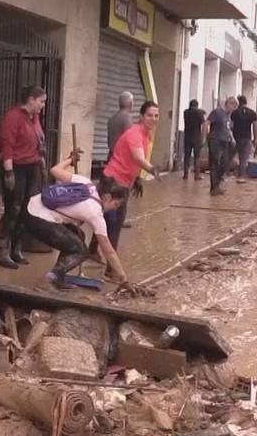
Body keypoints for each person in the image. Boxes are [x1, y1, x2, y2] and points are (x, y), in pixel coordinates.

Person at [26, 151, 138, 294]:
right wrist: (124, 279)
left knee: (78, 236)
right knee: (80, 250)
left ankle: (59, 276)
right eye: (116, 205)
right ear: (107, 197)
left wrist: (70, 160)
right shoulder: (96, 213)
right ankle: (48, 280)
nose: (114, 209)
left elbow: (54, 171)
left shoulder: (86, 183)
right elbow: (109, 251)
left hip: (32, 206)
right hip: (38, 219)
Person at [0, 85, 48, 269]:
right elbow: (6, 145)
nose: (42, 105)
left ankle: (16, 248)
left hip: (31, 166)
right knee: (13, 209)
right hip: (15, 167)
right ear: (31, 100)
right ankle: (3, 251)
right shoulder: (13, 117)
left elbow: (38, 138)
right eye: (41, 101)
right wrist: (8, 171)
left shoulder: (34, 117)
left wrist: (40, 159)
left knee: (26, 209)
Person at [102, 100, 160, 253]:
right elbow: (138, 158)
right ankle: (110, 271)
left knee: (105, 220)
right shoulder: (135, 133)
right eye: (149, 115)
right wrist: (152, 169)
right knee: (114, 225)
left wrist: (137, 179)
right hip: (113, 182)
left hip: (122, 182)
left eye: (156, 116)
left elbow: (133, 162)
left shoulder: (146, 136)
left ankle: (92, 252)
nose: (153, 119)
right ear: (141, 116)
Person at [205, 96, 237, 196]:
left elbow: (228, 129)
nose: (233, 108)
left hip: (225, 141)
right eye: (233, 105)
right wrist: (206, 136)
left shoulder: (228, 116)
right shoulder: (217, 112)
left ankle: (217, 185)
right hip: (215, 140)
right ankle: (214, 188)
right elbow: (206, 123)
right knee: (215, 163)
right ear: (228, 104)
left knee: (224, 163)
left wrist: (232, 139)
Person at [230, 95, 257, 183]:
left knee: (229, 155)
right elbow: (255, 127)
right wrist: (255, 139)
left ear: (239, 102)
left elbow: (230, 125)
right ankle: (241, 176)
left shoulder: (234, 113)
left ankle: (223, 174)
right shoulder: (252, 113)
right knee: (243, 158)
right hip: (246, 138)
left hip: (235, 138)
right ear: (246, 102)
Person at [180, 99, 207, 180]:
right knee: (197, 156)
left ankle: (185, 174)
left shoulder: (185, 112)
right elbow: (204, 125)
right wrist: (204, 137)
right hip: (197, 137)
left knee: (187, 156)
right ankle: (197, 175)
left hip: (187, 136)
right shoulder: (199, 113)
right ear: (197, 105)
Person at [106, 91, 135, 158]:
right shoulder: (127, 117)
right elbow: (129, 140)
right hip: (120, 156)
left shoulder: (112, 118)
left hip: (111, 155)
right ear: (131, 103)